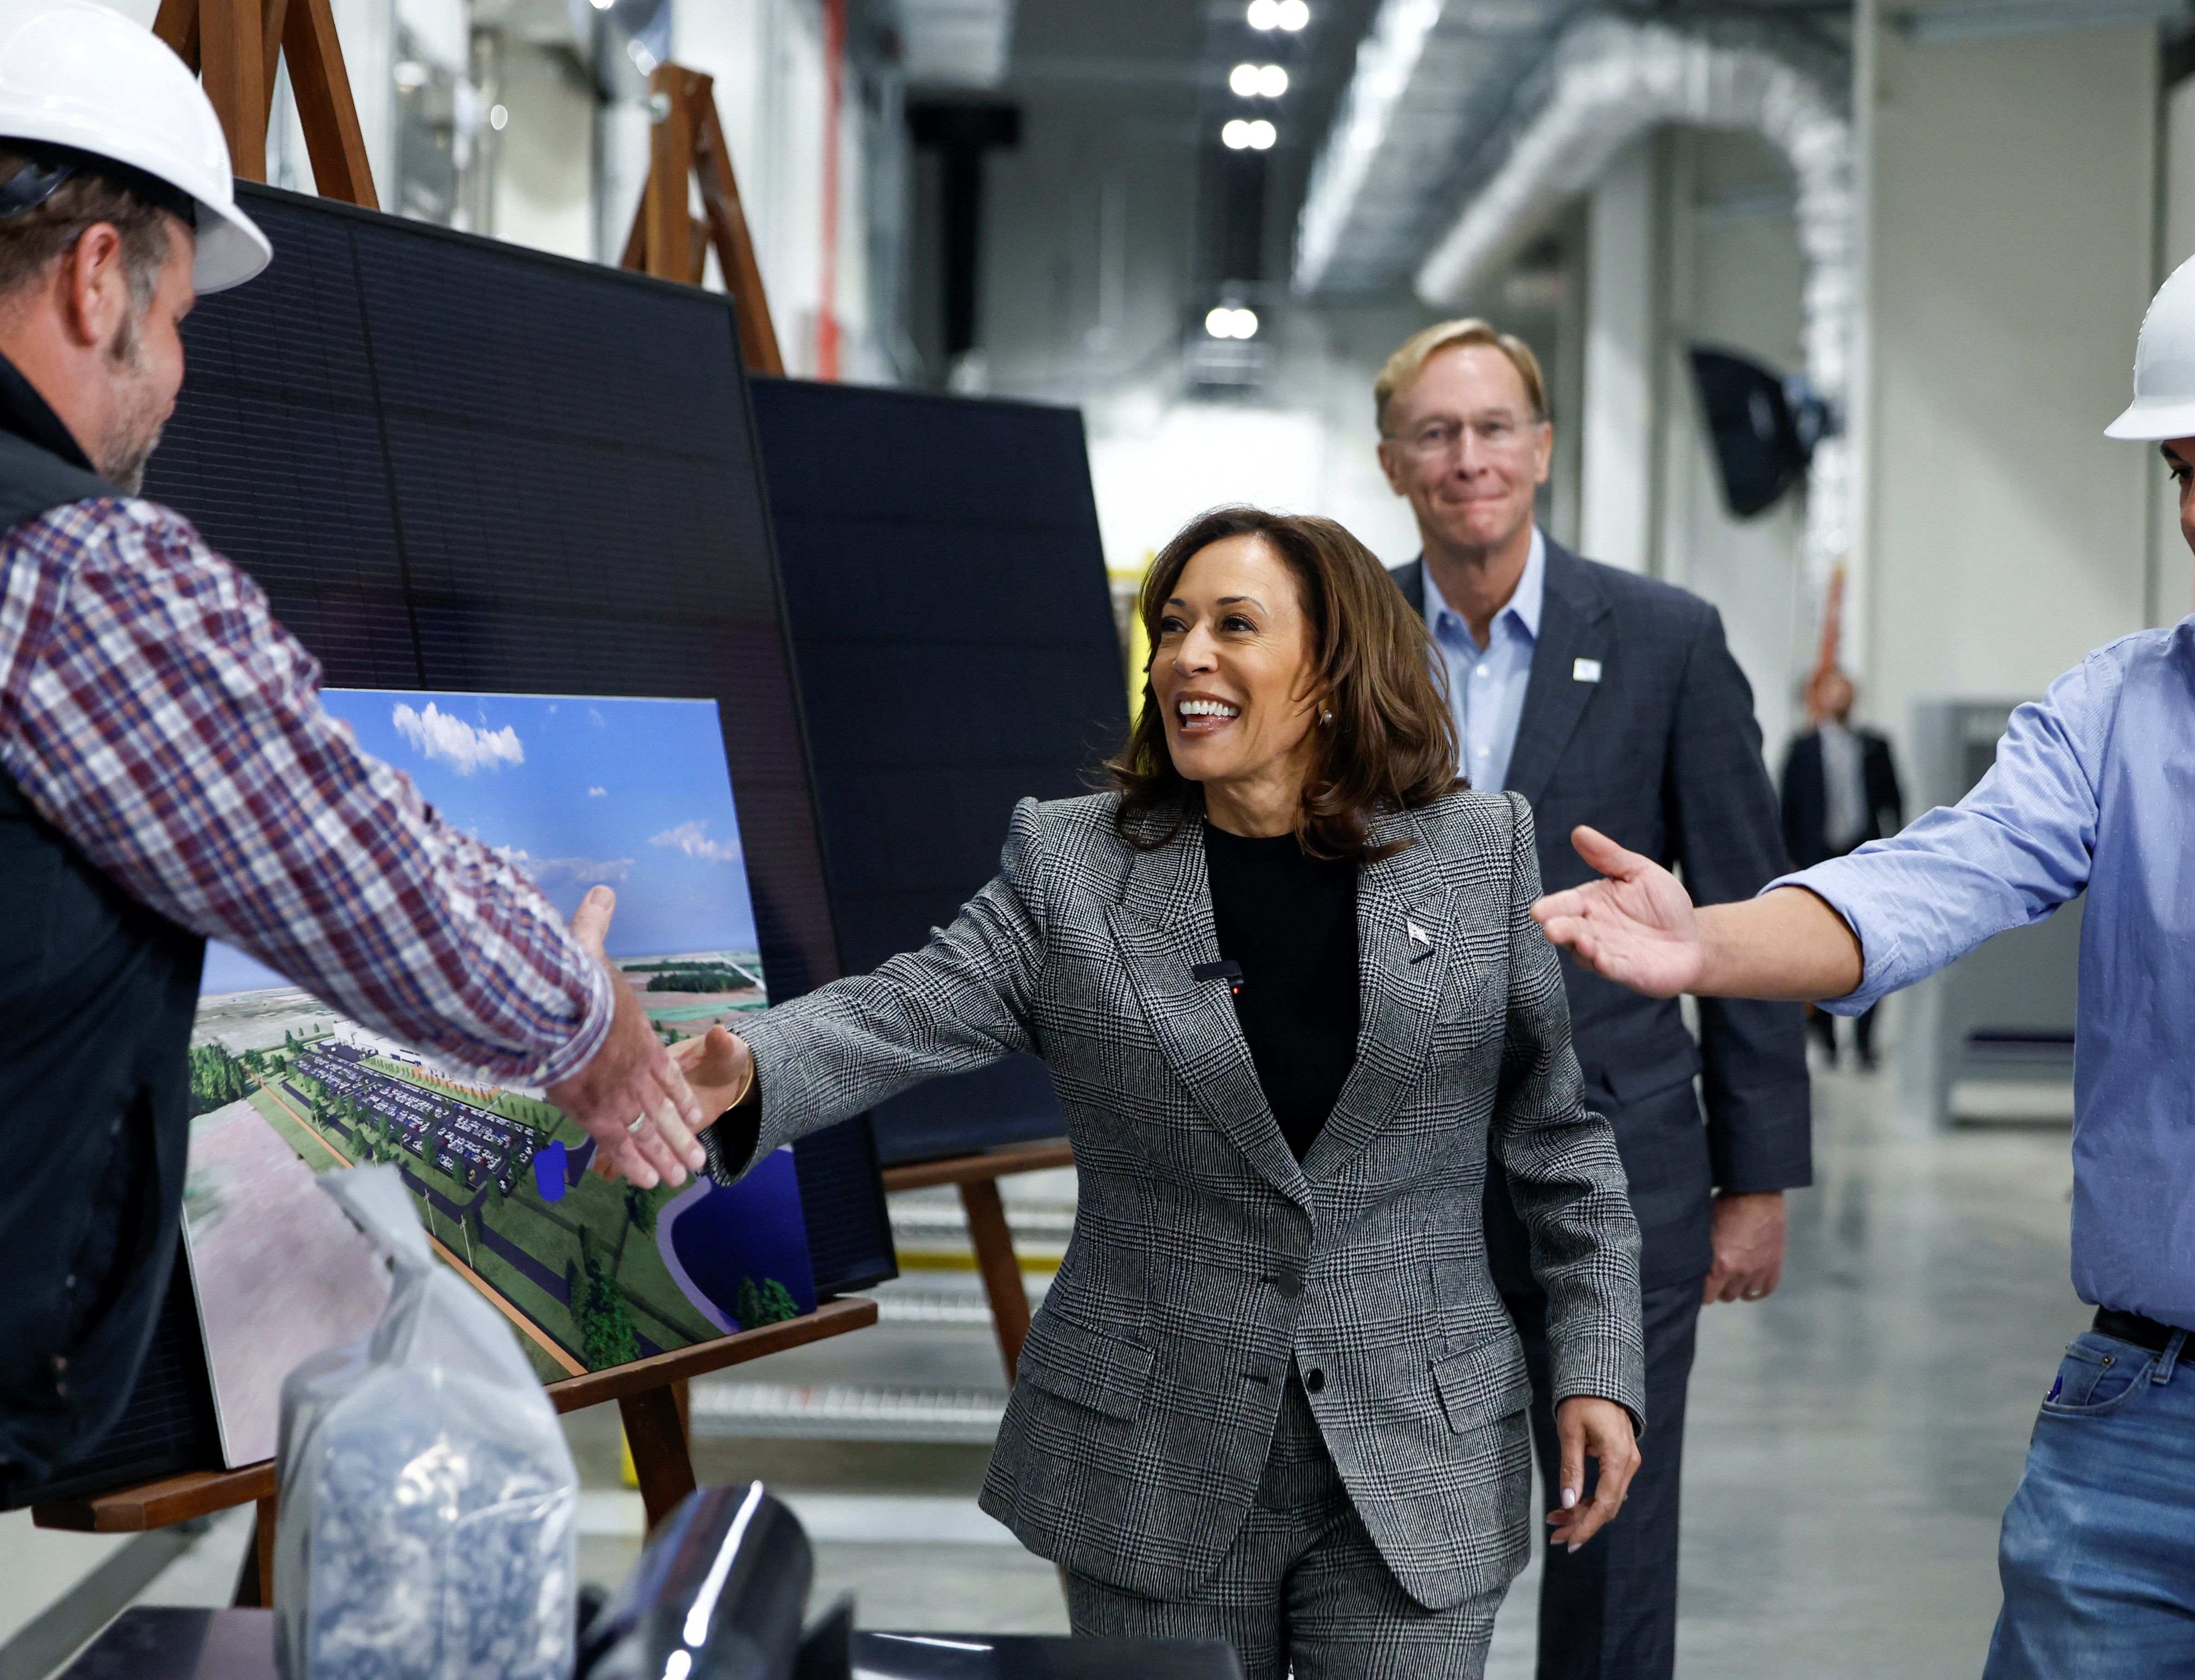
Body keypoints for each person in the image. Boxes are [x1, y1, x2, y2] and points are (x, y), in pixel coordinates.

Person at [0, 4, 735, 1669]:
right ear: (93, 278)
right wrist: (593, 1024)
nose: (187, 375)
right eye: (181, 315)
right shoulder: (60, 563)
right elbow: (358, 869)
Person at [1531, 221, 2195, 1675]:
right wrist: (1705, 941)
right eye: (2180, 473)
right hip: (2146, 1429)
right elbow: (1927, 880)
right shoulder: (2121, 710)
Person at [681, 506, 1646, 1680]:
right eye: (1171, 625)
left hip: (1417, 1447)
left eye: (1234, 625)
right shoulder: (1073, 862)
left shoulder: (1475, 848)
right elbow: (904, 1006)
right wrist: (751, 1067)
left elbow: (1558, 1140)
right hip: (1153, 1455)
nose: (1186, 653)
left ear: (1332, 671)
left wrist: (1597, 1362)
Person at [1372, 317, 1810, 1680]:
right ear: (1393, 463)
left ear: (1543, 449)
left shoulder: (1667, 640)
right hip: (1397, 1170)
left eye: (1495, 426)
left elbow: (1746, 914)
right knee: (1399, 1527)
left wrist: (1757, 1179)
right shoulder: (1347, 639)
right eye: (1435, 433)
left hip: (1624, 1170)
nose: (1469, 459)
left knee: (1610, 1523)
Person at [1776, 667, 1902, 1067]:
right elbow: (1787, 806)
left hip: (1863, 853)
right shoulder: (1803, 747)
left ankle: (1865, 1043)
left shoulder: (1874, 745)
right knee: (1820, 948)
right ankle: (1827, 1038)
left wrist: (1895, 849)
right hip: (1818, 856)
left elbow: (1893, 801)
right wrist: (1791, 857)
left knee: (1874, 945)